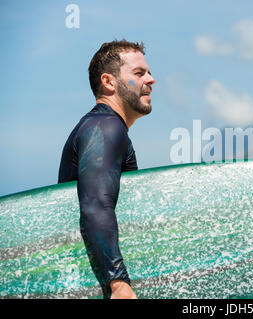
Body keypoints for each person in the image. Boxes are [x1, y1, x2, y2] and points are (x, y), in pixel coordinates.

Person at [58, 39, 155, 299]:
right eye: (139, 73)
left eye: (148, 71)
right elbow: (95, 203)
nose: (152, 79)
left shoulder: (105, 127)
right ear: (109, 82)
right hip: (104, 283)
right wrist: (119, 283)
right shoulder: (105, 128)